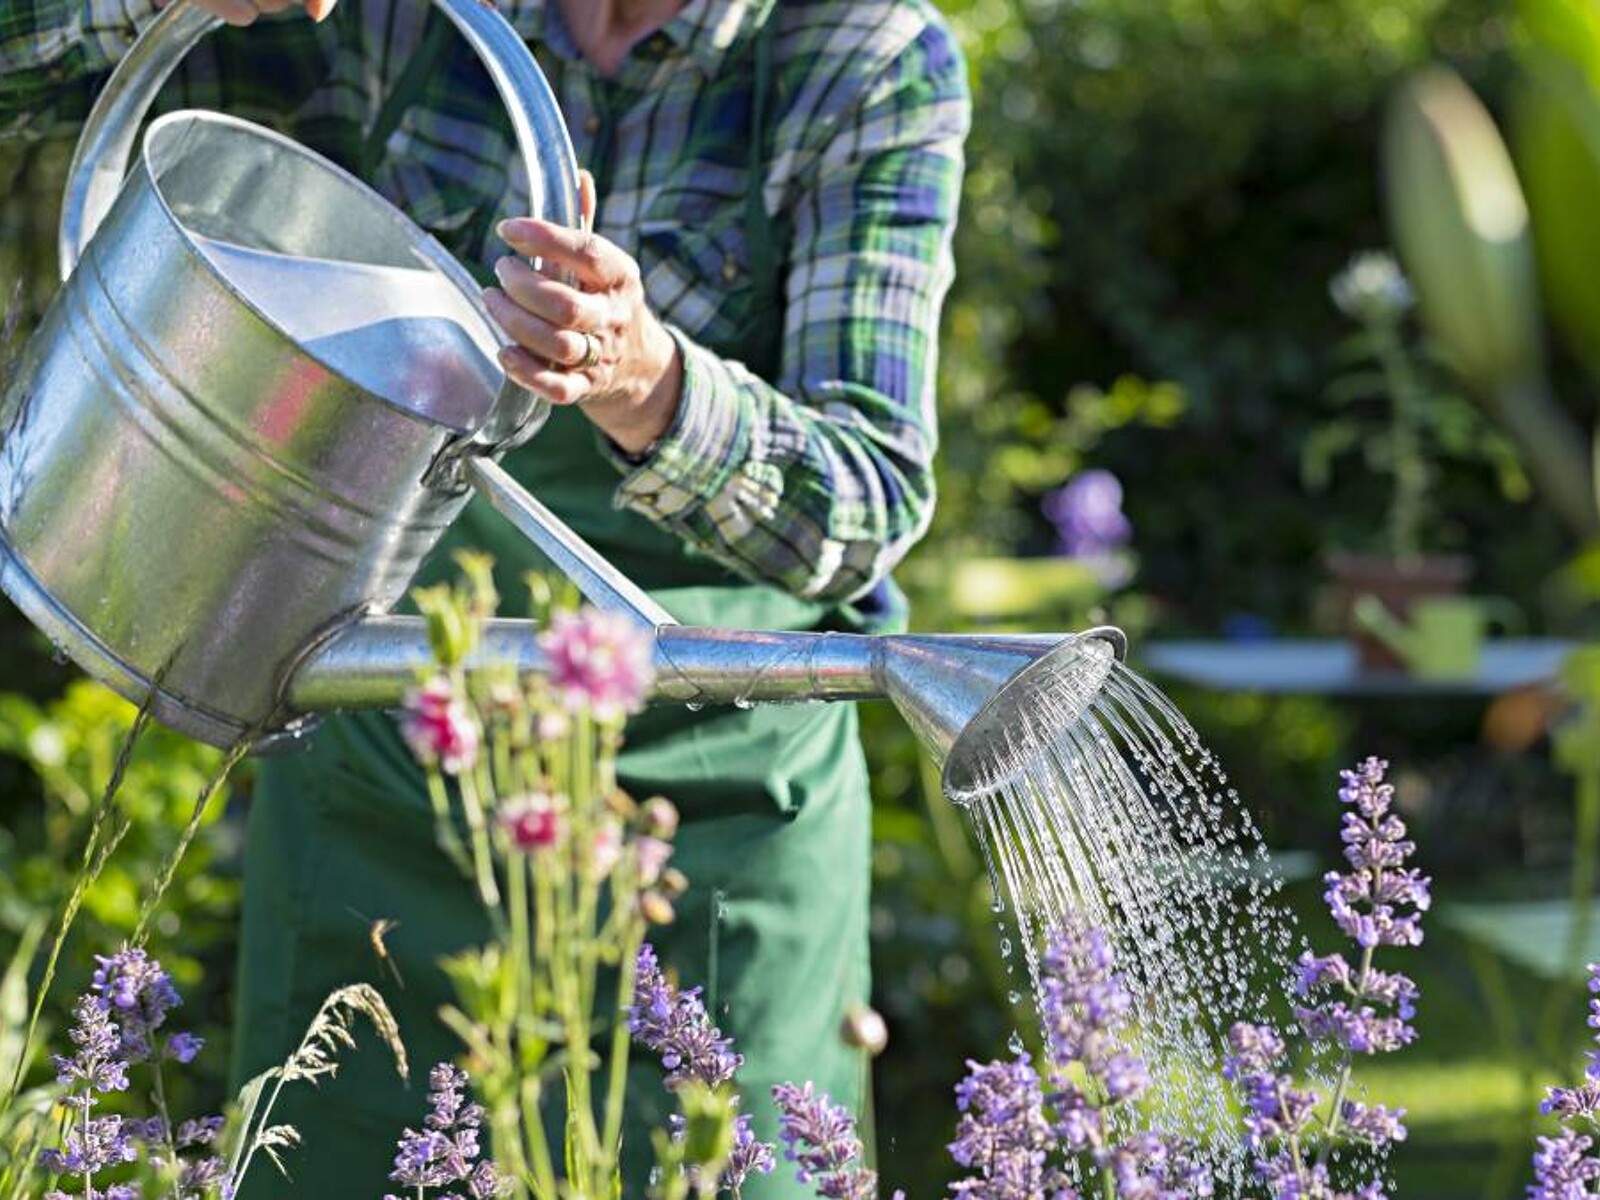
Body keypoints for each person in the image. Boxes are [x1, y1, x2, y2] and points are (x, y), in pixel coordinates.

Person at [0, 0, 969, 1193]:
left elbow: (862, 500)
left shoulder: (858, 55)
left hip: (711, 829)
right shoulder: (400, 17)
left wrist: (646, 382)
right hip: (387, 782)